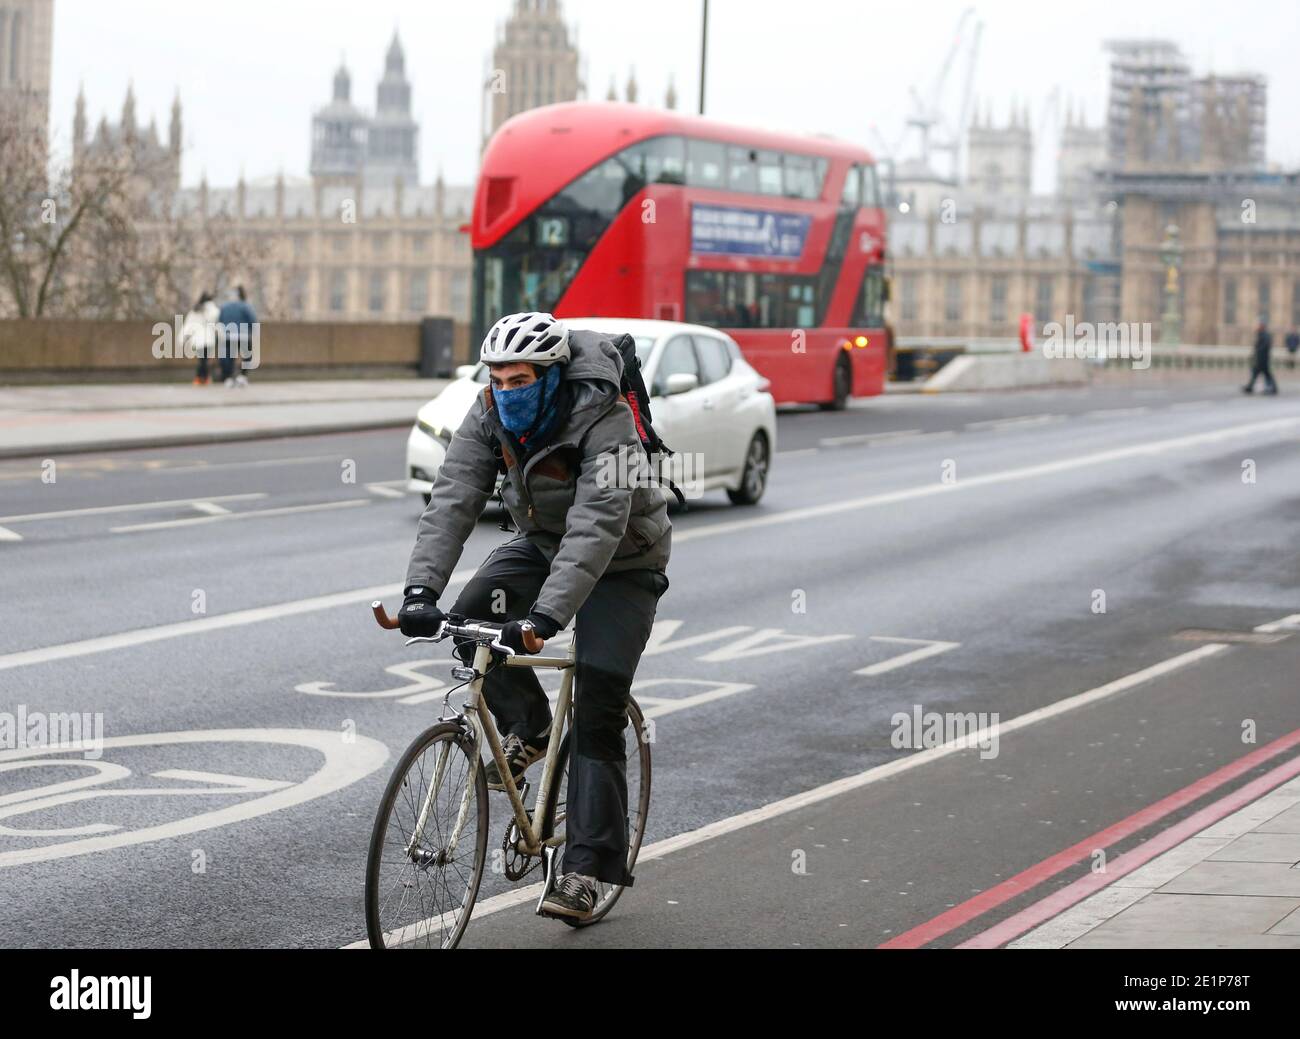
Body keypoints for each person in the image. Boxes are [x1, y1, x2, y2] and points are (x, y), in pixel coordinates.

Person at [396, 312, 671, 921]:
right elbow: (455, 493)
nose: (506, 391)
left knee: (599, 695)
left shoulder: (606, 414)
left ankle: (585, 870)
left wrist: (546, 616)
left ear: (550, 378)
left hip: (625, 558)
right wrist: (420, 591)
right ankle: (533, 728)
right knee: (470, 621)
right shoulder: (489, 409)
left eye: (520, 380)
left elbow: (599, 522)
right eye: (497, 379)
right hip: (545, 540)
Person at [217, 285, 257, 387]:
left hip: (229, 335)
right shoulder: (245, 306)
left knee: (229, 358)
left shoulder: (224, 307)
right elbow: (253, 320)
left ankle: (229, 378)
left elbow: (220, 320)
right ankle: (242, 377)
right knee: (247, 357)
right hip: (243, 335)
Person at [181, 291, 219, 385]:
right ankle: (203, 378)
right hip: (209, 339)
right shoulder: (213, 310)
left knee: (202, 359)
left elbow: (188, 325)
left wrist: (183, 338)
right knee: (205, 359)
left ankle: (201, 378)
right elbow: (217, 322)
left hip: (197, 339)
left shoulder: (195, 311)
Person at [1242, 320, 1278, 395]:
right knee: (1259, 374)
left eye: (1258, 325)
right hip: (1261, 359)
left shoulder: (1264, 335)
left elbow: (1264, 347)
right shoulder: (1262, 334)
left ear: (1262, 326)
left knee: (1263, 374)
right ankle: (1250, 387)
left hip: (1262, 359)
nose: (1256, 327)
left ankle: (1272, 388)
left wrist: (1258, 353)